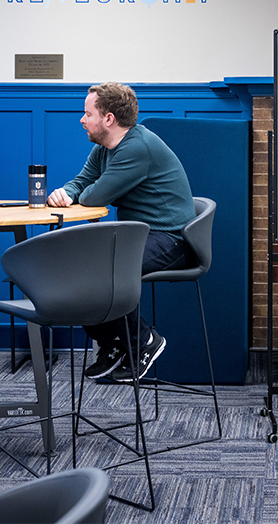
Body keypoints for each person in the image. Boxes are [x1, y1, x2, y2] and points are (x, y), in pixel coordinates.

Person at [47, 82, 195, 382]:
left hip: (170, 239)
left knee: (107, 270)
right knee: (77, 265)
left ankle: (144, 341)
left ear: (109, 119)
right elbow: (81, 182)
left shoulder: (137, 148)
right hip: (137, 235)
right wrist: (66, 192)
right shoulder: (103, 149)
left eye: (88, 114)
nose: (82, 120)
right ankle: (112, 344)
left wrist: (78, 193)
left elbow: (95, 196)